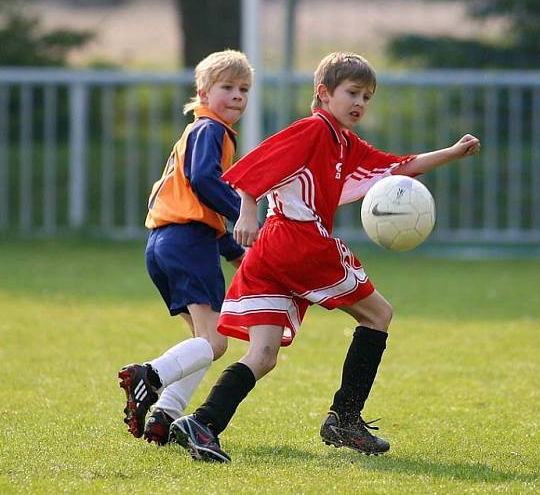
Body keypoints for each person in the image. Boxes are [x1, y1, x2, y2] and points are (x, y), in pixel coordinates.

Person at [168, 51, 482, 462]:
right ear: (323, 93)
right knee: (379, 315)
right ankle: (346, 419)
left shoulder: (344, 142)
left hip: (272, 252)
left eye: (367, 97)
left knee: (262, 356)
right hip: (299, 242)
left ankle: (203, 423)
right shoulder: (313, 130)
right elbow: (256, 165)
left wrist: (451, 153)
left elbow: (396, 168)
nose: (360, 104)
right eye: (352, 93)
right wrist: (246, 209)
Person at [118, 49, 253, 445]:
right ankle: (149, 375)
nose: (237, 96)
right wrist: (243, 214)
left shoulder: (199, 132)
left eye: (243, 89)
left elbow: (194, 199)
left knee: (203, 341)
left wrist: (232, 250)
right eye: (227, 87)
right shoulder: (210, 130)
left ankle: (165, 416)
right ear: (203, 92)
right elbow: (202, 182)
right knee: (215, 341)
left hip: (164, 243)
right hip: (188, 243)